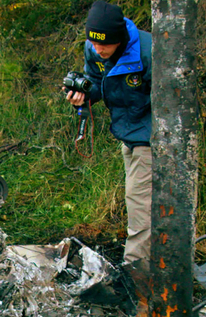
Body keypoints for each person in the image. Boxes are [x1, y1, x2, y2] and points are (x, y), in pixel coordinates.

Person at [66, 0, 152, 265]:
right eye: (92, 42)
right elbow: (96, 82)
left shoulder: (149, 52)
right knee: (143, 203)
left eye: (103, 44)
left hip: (152, 136)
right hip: (127, 133)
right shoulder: (94, 49)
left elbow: (172, 101)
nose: (97, 49)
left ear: (119, 39)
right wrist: (83, 95)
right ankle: (158, 266)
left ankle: (136, 275)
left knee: (140, 206)